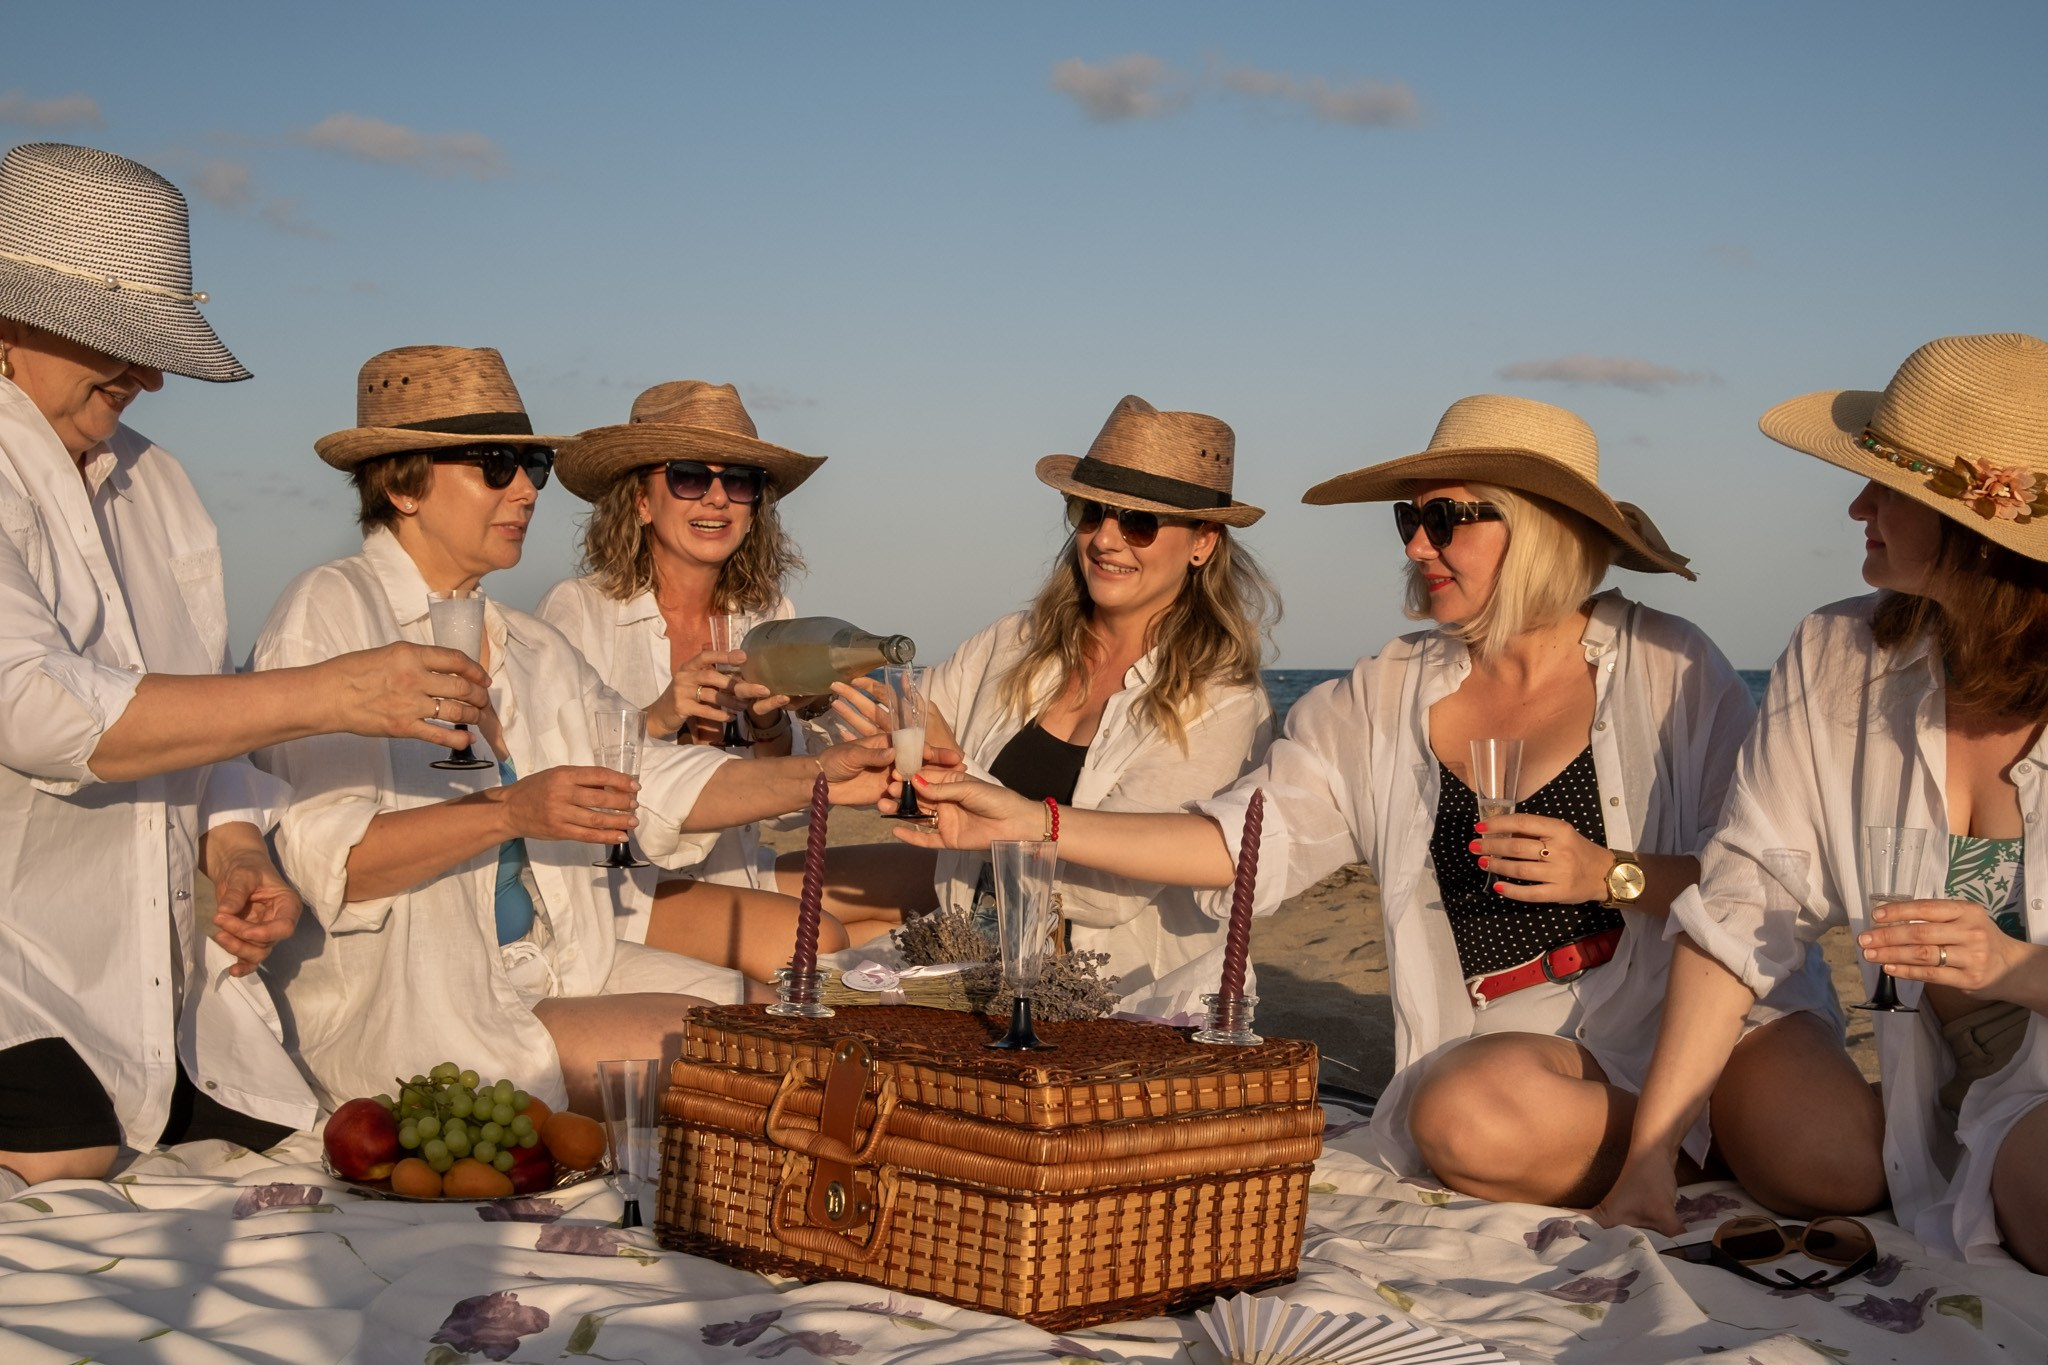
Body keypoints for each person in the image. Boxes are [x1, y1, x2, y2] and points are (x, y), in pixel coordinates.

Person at [901, 394, 1841, 1206]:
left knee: (1826, 1167)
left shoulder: (1673, 666)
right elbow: (1239, 845)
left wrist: (1610, 871)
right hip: (1528, 1036)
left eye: (1448, 520)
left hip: (1698, 1003)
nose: (1418, 545)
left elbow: (1760, 884)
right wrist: (1034, 821)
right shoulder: (1384, 694)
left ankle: (1695, 1130)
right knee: (1462, 1120)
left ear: (1542, 526)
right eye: (1408, 521)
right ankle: (1673, 1146)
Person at [0, 144, 492, 1189]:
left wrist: (234, 851)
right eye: (118, 342)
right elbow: (36, 709)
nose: (150, 376)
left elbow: (203, 704)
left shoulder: (156, 483)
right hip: (19, 963)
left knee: (290, 1162)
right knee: (73, 1159)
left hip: (166, 985)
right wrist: (332, 692)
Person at [250, 346, 892, 1116]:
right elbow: (336, 867)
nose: (526, 488)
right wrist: (510, 813)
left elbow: (647, 778)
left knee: (792, 1030)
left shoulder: (529, 643)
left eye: (532, 465)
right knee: (748, 1066)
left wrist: (818, 776)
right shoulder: (329, 611)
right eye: (496, 464)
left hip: (564, 963)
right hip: (423, 997)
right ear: (400, 484)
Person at [1596, 333, 2048, 1269]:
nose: (1857, 505)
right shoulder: (1840, 656)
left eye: (1890, 487)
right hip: (1930, 1082)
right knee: (1819, 1164)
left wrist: (2016, 968)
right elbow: (1743, 898)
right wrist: (1646, 1158)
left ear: (1976, 526)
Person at [804, 393, 1277, 1018]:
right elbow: (883, 730)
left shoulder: (1222, 700)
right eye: (1091, 512)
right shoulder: (1014, 643)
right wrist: (809, 700)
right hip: (966, 957)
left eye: (1138, 522)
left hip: (1114, 1000)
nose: (1106, 539)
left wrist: (957, 776)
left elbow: (1108, 896)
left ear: (1203, 543)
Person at [539, 381, 849, 981]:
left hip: (732, 871)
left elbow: (788, 813)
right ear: (641, 501)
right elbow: (554, 773)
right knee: (823, 945)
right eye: (688, 477)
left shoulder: (765, 616)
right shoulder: (577, 610)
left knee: (914, 890)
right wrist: (659, 717)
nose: (716, 499)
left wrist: (766, 723)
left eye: (739, 481)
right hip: (617, 885)